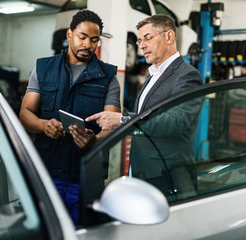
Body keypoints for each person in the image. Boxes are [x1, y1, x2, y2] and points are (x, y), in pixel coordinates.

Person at [19, 9, 120, 225]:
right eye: (82, 37)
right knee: (48, 229)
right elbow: (25, 113)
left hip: (85, 176)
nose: (88, 45)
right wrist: (43, 125)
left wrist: (94, 140)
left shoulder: (109, 76)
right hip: (46, 171)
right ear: (70, 34)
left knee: (86, 233)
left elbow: (111, 124)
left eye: (94, 40)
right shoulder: (42, 68)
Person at [86, 14, 203, 197]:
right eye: (140, 40)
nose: (141, 45)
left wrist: (123, 119)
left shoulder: (187, 75)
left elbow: (176, 123)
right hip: (143, 171)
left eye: (148, 38)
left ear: (169, 37)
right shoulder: (153, 76)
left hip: (168, 175)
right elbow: (146, 119)